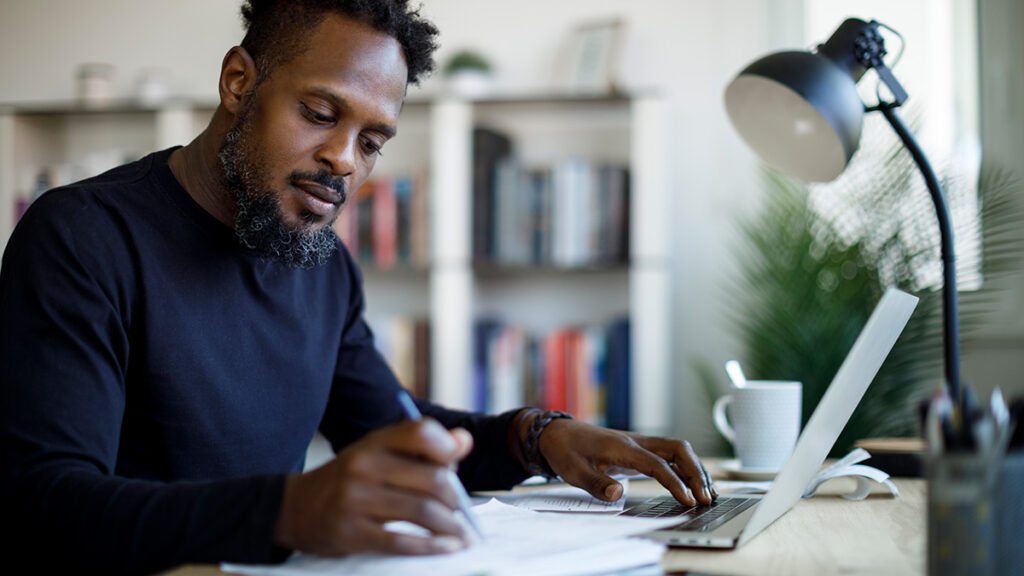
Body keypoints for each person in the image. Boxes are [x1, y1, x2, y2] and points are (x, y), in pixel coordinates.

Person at [0, 1, 716, 573]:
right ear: (238, 81)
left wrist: (539, 438)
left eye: (373, 141)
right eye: (319, 113)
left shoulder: (322, 263)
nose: (342, 160)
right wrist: (286, 511)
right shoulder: (83, 238)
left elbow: (396, 428)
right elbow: (47, 502)